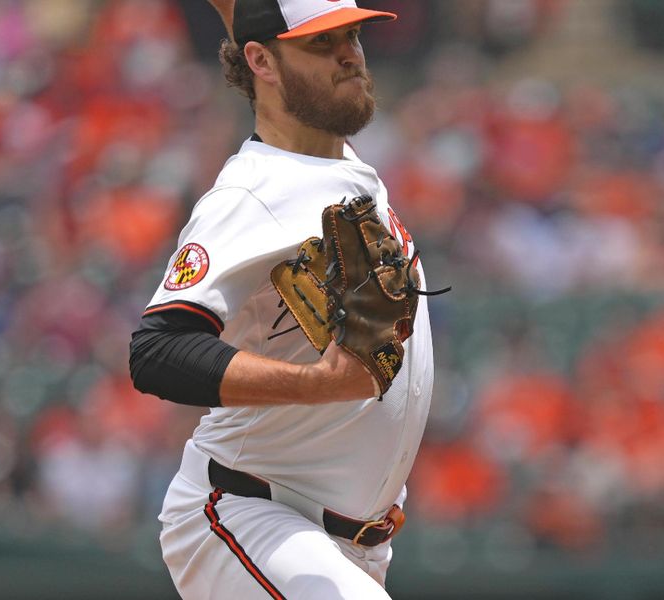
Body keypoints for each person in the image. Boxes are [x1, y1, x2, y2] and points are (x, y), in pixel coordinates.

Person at [129, 1, 437, 598]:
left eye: (351, 36)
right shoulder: (252, 193)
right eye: (321, 44)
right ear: (261, 60)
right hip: (248, 513)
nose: (349, 53)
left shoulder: (341, 165)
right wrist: (322, 383)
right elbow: (156, 349)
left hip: (347, 541)